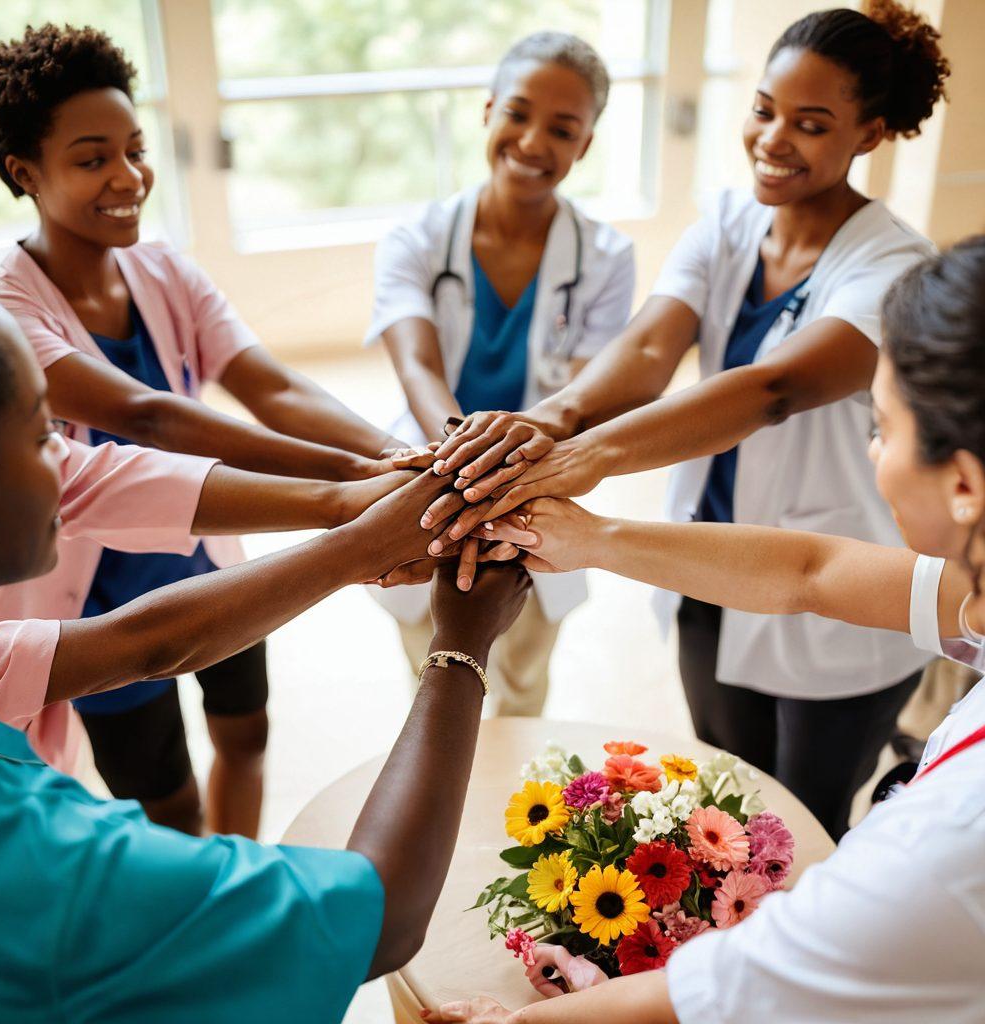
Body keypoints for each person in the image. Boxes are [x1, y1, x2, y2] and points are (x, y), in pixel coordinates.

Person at [420, 238, 985, 1024]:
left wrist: (510, 1022)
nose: (870, 449)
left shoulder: (948, 840)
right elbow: (811, 573)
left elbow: (733, 988)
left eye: (881, 428)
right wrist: (591, 537)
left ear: (963, 483)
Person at [421, 1, 951, 838]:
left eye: (811, 124)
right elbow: (645, 350)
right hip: (710, 559)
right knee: (731, 800)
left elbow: (770, 388)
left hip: (838, 593)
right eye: (764, 111)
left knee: (808, 818)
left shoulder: (892, 265)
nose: (774, 140)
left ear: (870, 134)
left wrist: (587, 458)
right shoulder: (730, 223)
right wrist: (550, 421)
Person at [0, 249, 532, 1021]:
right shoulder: (31, 845)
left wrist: (358, 512)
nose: (67, 465)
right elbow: (380, 914)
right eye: (41, 437)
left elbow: (143, 642)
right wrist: (460, 644)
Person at [0, 23, 407, 829]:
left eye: (135, 149)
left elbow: (268, 382)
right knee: (166, 800)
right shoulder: (5, 307)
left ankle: (231, 875)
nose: (128, 176)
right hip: (100, 605)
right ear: (23, 171)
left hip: (207, 562)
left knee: (247, 737)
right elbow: (148, 415)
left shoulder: (164, 268)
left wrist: (393, 452)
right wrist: (349, 482)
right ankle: (203, 910)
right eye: (93, 158)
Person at [366, 31, 635, 715]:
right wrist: (466, 465)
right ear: (487, 112)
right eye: (517, 113)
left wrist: (502, 483)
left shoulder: (606, 257)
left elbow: (582, 397)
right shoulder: (416, 239)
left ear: (586, 145)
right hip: (433, 474)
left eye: (563, 128)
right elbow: (417, 366)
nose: (533, 140)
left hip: (538, 483)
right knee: (430, 677)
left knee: (521, 679)